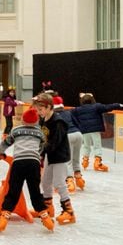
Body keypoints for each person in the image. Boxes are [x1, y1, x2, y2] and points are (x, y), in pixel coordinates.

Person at [0, 108, 54, 231]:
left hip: (18, 163)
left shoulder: (16, 130)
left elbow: (5, 142)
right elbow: (42, 148)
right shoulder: (40, 132)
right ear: (36, 121)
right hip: (33, 164)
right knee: (35, 192)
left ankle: (3, 220)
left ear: (22, 120)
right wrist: (36, 155)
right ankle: (46, 219)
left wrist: (0, 153)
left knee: (13, 191)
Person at [34, 92, 76, 224]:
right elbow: (43, 139)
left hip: (60, 157)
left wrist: (40, 151)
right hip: (50, 156)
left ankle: (69, 212)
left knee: (59, 184)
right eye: (37, 110)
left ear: (48, 107)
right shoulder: (43, 120)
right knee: (45, 182)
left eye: (40, 109)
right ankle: (48, 208)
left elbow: (54, 142)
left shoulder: (58, 122)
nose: (39, 112)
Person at [74, 93, 123, 172]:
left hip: (85, 130)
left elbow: (71, 115)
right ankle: (97, 162)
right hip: (95, 129)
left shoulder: (78, 109)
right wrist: (117, 105)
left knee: (86, 145)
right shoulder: (96, 106)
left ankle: (85, 161)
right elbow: (107, 107)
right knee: (97, 145)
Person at [52, 95, 84, 191]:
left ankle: (69, 180)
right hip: (78, 134)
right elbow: (77, 123)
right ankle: (79, 178)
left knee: (67, 160)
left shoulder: (54, 116)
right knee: (76, 158)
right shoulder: (68, 112)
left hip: (67, 136)